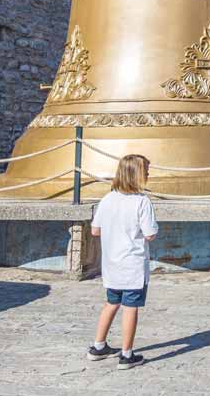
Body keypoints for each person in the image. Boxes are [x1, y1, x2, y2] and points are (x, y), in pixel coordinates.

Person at [88, 154, 158, 370]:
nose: (148, 174)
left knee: (112, 303)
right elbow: (150, 234)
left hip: (112, 264)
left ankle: (98, 346)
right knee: (130, 307)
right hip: (132, 265)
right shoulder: (142, 202)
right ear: (137, 175)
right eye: (146, 171)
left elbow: (95, 230)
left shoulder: (107, 199)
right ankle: (127, 355)